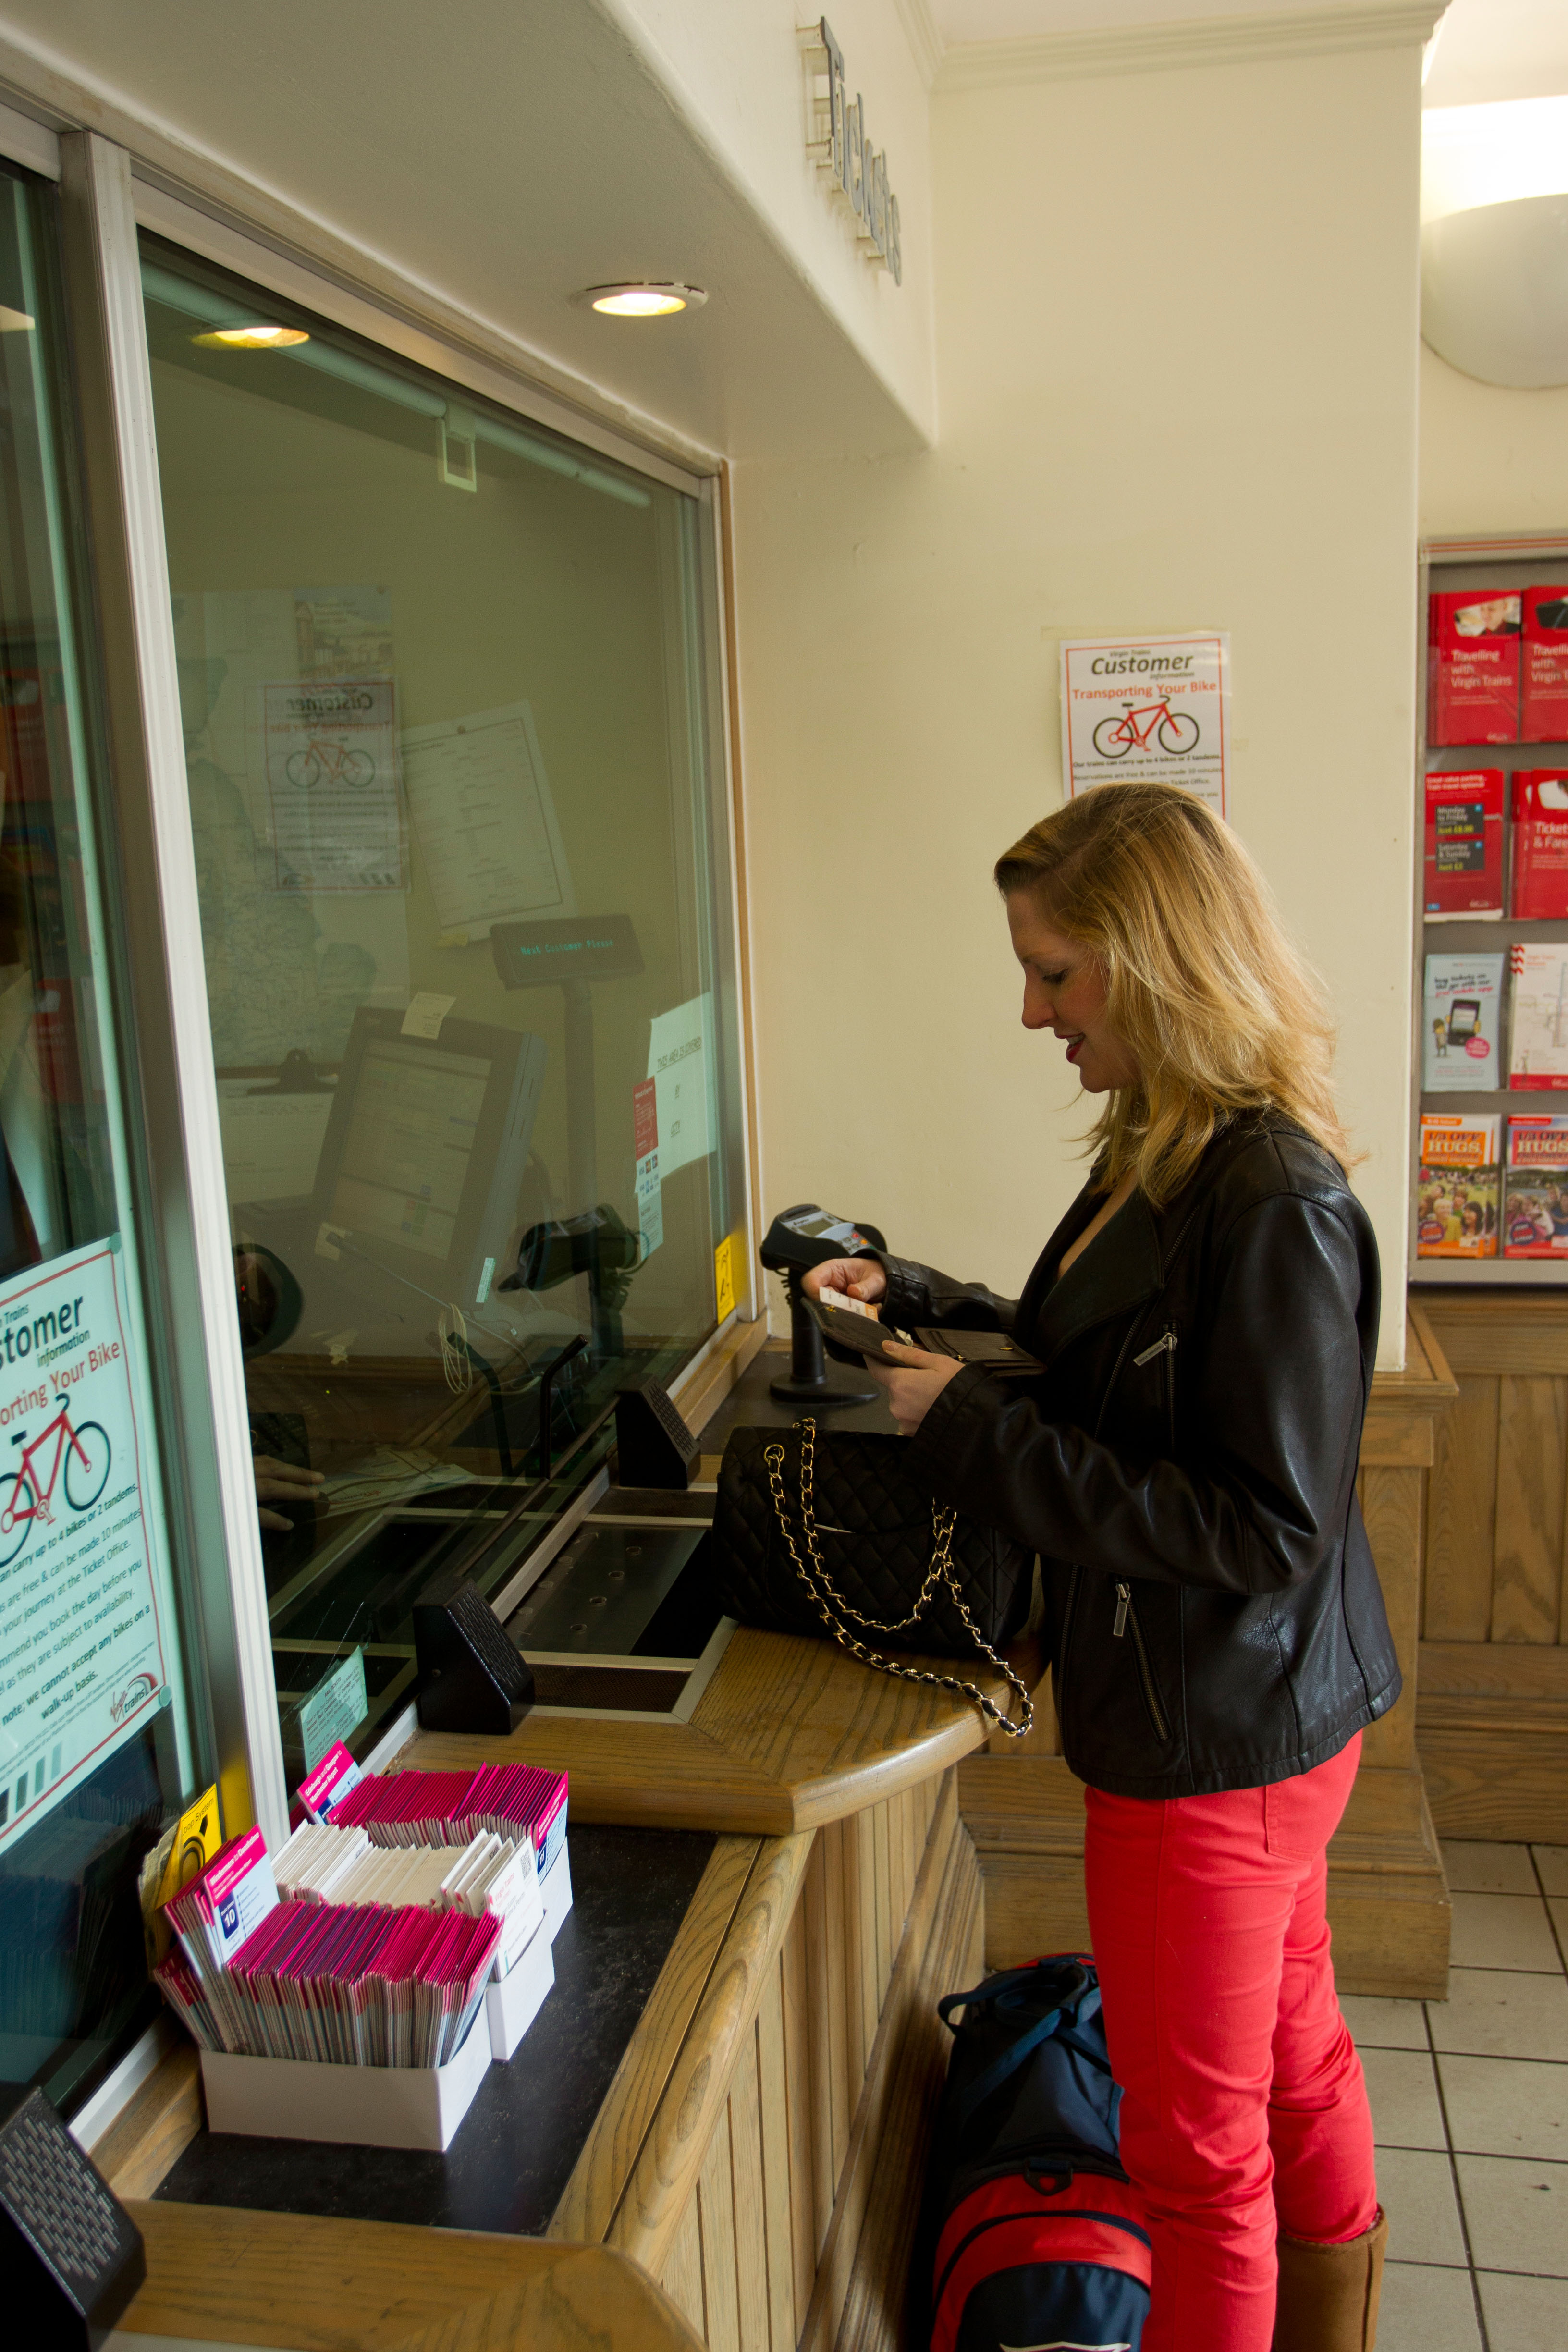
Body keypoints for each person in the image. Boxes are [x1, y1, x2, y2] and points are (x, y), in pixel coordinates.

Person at [805, 780, 1395, 2352]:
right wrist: (922, 1293)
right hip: (1257, 1729)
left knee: (1193, 2165)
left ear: (1155, 961)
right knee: (1291, 2062)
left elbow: (1261, 1526)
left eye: (1057, 973)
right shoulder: (1175, 1149)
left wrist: (975, 1442)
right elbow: (1113, 1367)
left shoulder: (1272, 1196)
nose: (1030, 1010)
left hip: (1213, 1744)